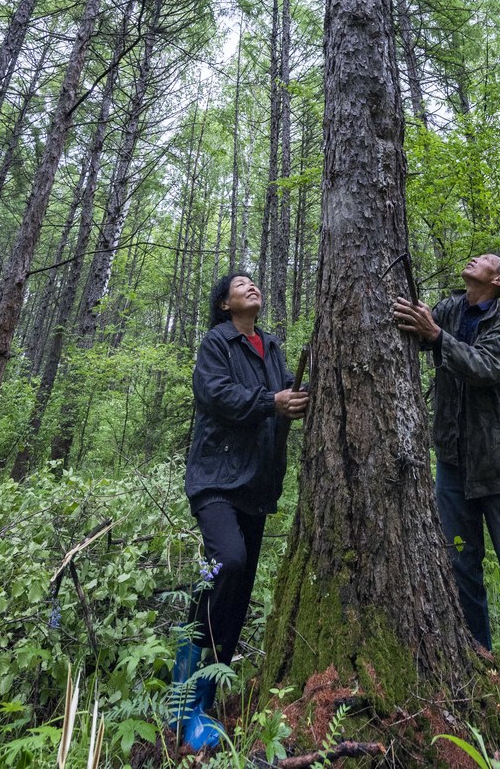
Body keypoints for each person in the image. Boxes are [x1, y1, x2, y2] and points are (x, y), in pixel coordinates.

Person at [394, 253, 500, 684]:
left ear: (498, 279)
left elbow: (485, 368)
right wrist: (428, 327)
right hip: (453, 465)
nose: (474, 257)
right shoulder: (449, 309)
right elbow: (423, 325)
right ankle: (477, 669)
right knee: (461, 570)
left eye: (485, 259)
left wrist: (437, 338)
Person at [169, 272, 309, 751]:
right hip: (215, 479)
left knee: (239, 586)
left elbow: (289, 393)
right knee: (227, 561)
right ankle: (181, 698)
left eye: (255, 282)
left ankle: (200, 700)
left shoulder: (272, 346)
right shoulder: (217, 342)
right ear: (225, 303)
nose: (252, 287)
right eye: (241, 284)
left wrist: (300, 394)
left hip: (256, 485)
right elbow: (216, 395)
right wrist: (272, 402)